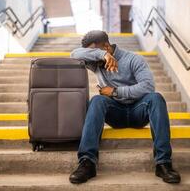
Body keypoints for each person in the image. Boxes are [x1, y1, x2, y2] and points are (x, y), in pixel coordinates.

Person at [69, 30, 181, 184]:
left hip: (138, 111)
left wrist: (115, 91)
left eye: (96, 50)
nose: (93, 54)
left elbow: (148, 86)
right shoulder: (97, 63)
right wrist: (102, 55)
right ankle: (87, 163)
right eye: (91, 52)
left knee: (156, 98)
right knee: (96, 101)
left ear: (107, 46)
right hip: (115, 113)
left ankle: (163, 163)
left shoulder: (133, 59)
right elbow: (74, 54)